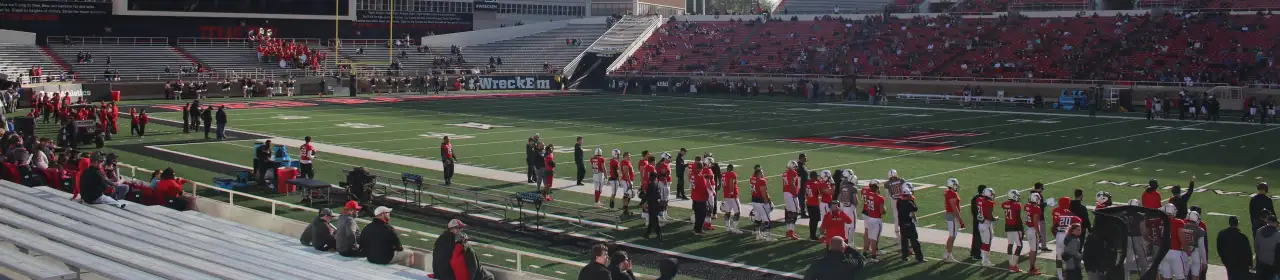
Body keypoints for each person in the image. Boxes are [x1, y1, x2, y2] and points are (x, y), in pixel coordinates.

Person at [896, 187, 923, 263]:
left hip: (902, 224)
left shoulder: (899, 201)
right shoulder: (909, 203)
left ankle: (904, 257)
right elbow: (915, 209)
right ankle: (919, 258)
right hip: (909, 224)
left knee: (904, 242)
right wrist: (912, 200)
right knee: (914, 241)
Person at [942, 178, 965, 262]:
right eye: (955, 185)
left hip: (950, 215)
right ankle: (948, 255)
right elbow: (954, 208)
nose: (956, 187)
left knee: (951, 236)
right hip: (952, 216)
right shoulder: (952, 194)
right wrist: (960, 220)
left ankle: (947, 253)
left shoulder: (948, 192)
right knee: (952, 236)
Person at [1002, 190, 1025, 272]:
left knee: (1010, 244)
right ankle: (1013, 265)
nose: (1018, 198)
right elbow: (1018, 218)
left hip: (1008, 226)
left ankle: (1010, 263)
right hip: (1015, 227)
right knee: (1020, 245)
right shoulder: (1017, 205)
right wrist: (1022, 229)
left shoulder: (1004, 204)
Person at [863, 182, 885, 262]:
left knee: (869, 236)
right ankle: (873, 256)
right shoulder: (880, 198)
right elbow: (882, 211)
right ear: (876, 189)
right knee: (875, 238)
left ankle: (865, 252)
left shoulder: (868, 195)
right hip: (876, 219)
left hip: (870, 218)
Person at [1024, 193, 1045, 275]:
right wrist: (1039, 234)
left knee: (1032, 249)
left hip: (1028, 229)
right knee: (1034, 250)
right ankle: (1031, 268)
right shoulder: (1036, 208)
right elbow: (1035, 223)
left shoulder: (1026, 206)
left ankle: (1032, 266)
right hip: (1033, 230)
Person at [976, 187, 997, 267]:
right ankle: (985, 261)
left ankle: (983, 258)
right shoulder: (989, 203)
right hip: (986, 224)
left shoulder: (979, 200)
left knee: (984, 242)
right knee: (987, 243)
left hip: (980, 224)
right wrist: (995, 218)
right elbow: (989, 216)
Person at [639, 174, 664, 240]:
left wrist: (642, 202)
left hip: (652, 205)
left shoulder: (650, 185)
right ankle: (647, 234)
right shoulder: (657, 184)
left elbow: (647, 196)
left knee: (654, 220)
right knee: (651, 220)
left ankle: (659, 235)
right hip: (656, 204)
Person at [692, 158, 713, 234]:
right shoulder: (700, 177)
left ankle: (696, 228)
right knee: (702, 215)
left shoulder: (694, 175)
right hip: (701, 198)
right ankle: (698, 230)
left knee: (697, 214)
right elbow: (703, 188)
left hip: (694, 197)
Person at [721, 165, 742, 233]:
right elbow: (731, 182)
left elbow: (723, 185)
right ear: (732, 169)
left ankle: (727, 227)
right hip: (732, 196)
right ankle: (735, 228)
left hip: (726, 196)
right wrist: (732, 192)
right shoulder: (732, 174)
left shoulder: (723, 174)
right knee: (737, 212)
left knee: (727, 212)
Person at [1257, 215, 1280, 280]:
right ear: (1275, 222)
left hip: (1261, 262)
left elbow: (1256, 247)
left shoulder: (1259, 231)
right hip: (1272, 264)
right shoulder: (1278, 235)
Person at [782, 160, 800, 239]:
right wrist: (795, 194)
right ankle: (791, 232)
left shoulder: (785, 173)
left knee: (789, 213)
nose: (796, 168)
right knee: (795, 213)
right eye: (795, 167)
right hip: (791, 193)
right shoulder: (793, 173)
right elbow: (792, 183)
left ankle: (789, 231)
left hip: (785, 193)